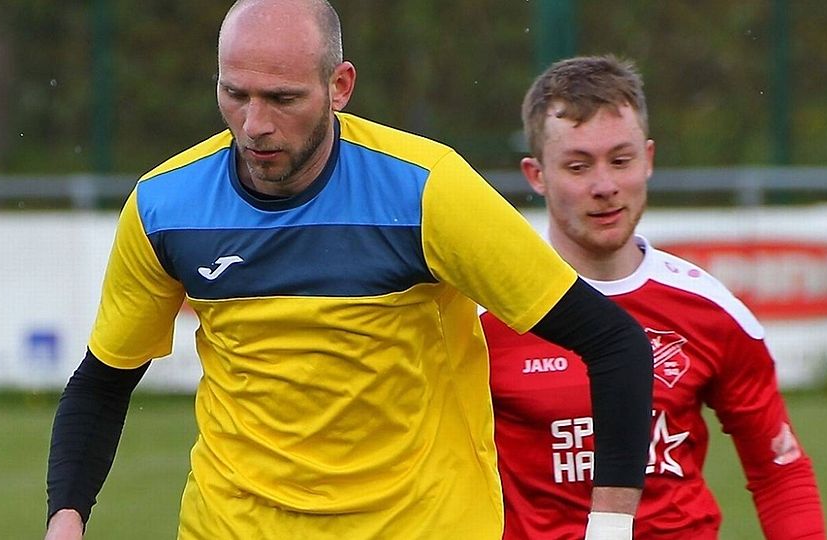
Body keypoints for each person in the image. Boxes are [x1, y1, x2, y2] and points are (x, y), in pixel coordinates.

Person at [44, 2, 654, 538]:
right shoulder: (163, 207)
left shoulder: (428, 192)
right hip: (230, 526)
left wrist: (609, 527)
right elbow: (103, 382)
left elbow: (614, 342)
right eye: (235, 94)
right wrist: (66, 517)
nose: (255, 125)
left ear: (339, 86)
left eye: (283, 99)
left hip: (420, 526)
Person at [481, 54, 827, 539]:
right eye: (578, 166)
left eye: (621, 161)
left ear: (648, 160)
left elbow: (779, 471)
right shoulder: (485, 315)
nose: (605, 186)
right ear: (536, 175)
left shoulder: (710, 309)